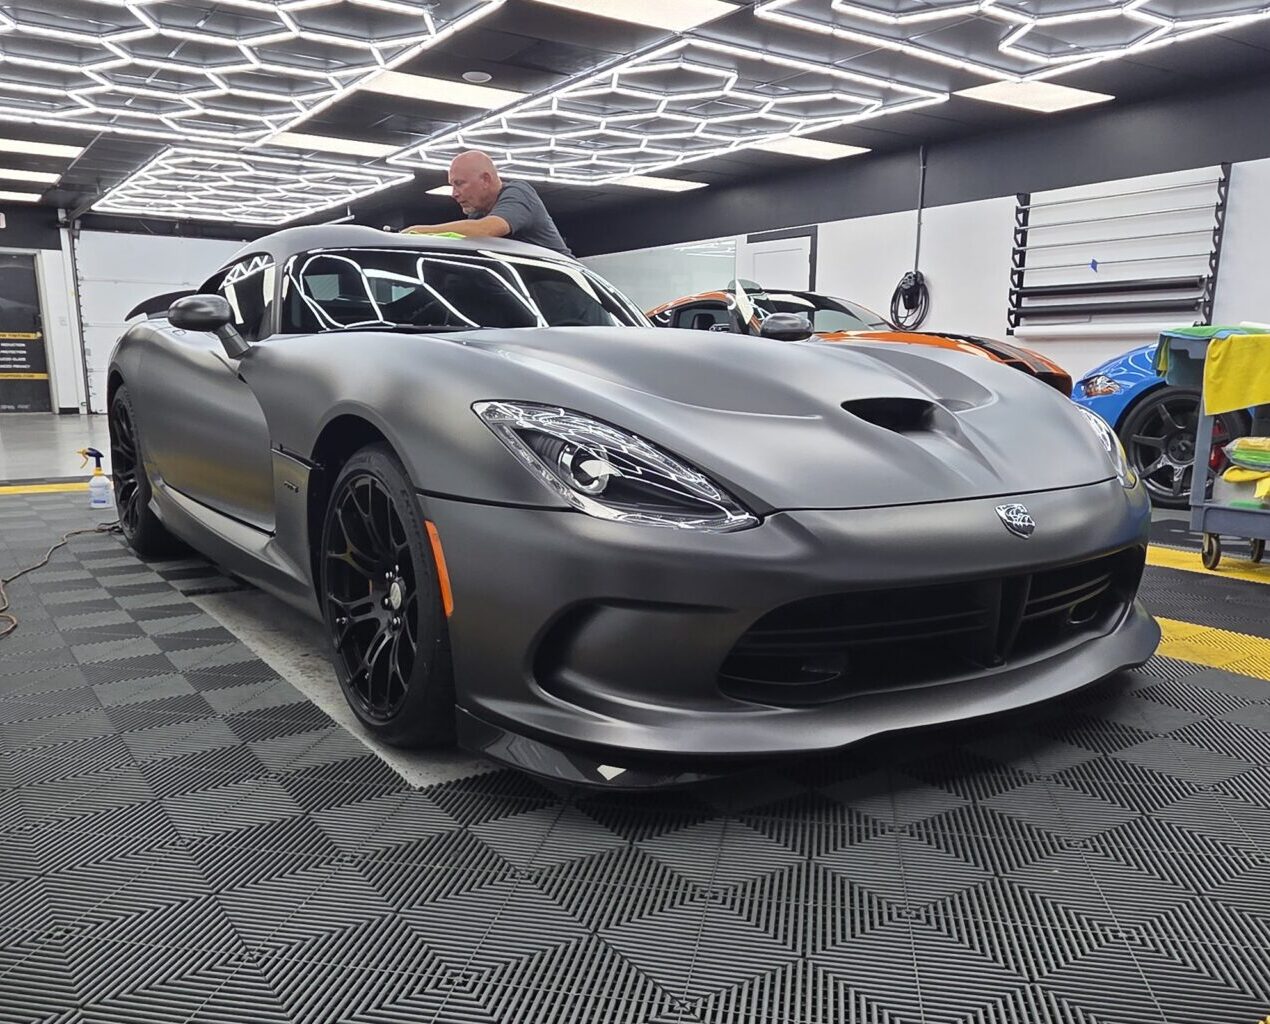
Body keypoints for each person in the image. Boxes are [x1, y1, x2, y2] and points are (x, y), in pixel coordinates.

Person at [403, 151, 572, 256]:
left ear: (485, 180)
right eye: (452, 185)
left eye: (459, 183)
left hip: (570, 299)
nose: (454, 194)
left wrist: (417, 231)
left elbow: (486, 230)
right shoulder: (477, 214)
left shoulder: (518, 193)